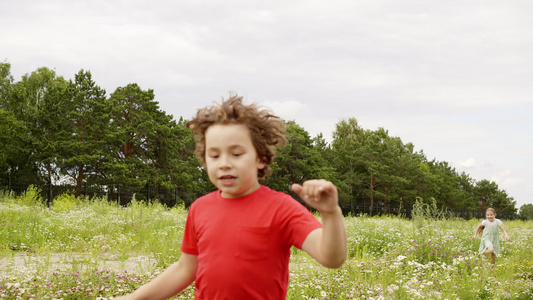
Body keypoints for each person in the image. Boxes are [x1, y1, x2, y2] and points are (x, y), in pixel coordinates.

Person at [116, 94, 347, 299]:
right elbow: (186, 269)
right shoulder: (199, 208)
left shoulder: (282, 208)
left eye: (236, 153)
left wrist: (330, 213)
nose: (225, 163)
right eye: (214, 156)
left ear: (261, 159)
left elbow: (331, 258)